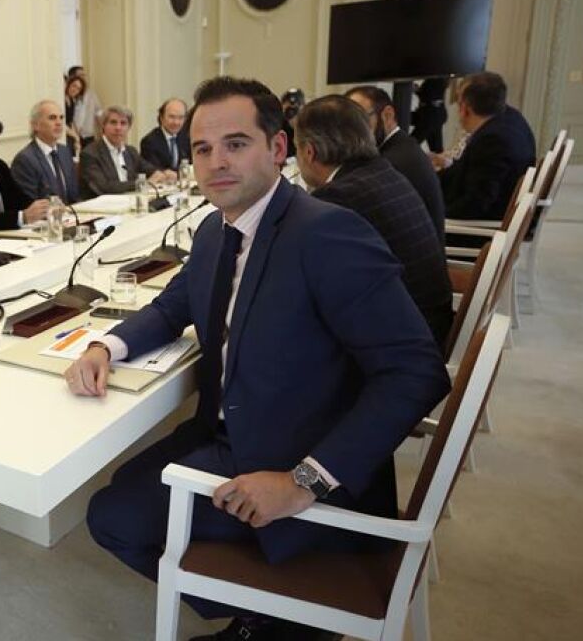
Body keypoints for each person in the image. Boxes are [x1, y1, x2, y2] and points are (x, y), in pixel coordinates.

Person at [72, 77, 450, 641]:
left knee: (114, 517)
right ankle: (267, 614)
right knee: (123, 485)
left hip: (299, 462)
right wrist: (106, 345)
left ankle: (276, 621)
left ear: (277, 148)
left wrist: (304, 481)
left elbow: (416, 371)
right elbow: (173, 304)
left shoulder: (328, 233)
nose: (216, 162)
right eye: (203, 149)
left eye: (236, 143)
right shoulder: (214, 230)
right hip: (232, 428)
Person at [295, 95, 454, 347]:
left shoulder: (338, 197)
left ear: (309, 152)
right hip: (432, 318)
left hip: (408, 342)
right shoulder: (383, 170)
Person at [345, 86, 446, 242]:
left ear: (388, 115)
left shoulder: (393, 163)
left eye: (360, 120)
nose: (351, 131)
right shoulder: (403, 146)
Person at [435, 71, 537, 221]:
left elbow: (475, 204)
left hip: (480, 226)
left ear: (465, 109)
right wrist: (429, 178)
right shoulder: (512, 118)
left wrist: (433, 217)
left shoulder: (492, 141)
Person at [78, 105, 162, 200]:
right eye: (113, 122)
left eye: (123, 123)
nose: (118, 128)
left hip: (130, 201)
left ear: (129, 127)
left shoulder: (131, 151)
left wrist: (159, 174)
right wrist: (142, 184)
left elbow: (150, 169)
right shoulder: (90, 153)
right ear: (103, 126)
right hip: (103, 205)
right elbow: (103, 187)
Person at [12, 99, 81, 204]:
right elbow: (30, 204)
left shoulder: (65, 152)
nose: (59, 123)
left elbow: (74, 195)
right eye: (52, 118)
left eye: (61, 117)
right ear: (35, 125)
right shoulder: (25, 160)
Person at [139, 97, 191, 174]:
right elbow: (154, 170)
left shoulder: (187, 137)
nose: (176, 122)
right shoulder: (149, 142)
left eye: (180, 118)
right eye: (172, 117)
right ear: (161, 117)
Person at [66, 66, 103, 149]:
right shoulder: (69, 97)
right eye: (80, 75)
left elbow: (99, 113)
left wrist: (103, 131)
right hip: (71, 135)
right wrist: (75, 135)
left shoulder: (92, 95)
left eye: (84, 75)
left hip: (88, 136)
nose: (83, 78)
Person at [410, 77, 449, 153]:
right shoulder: (437, 77)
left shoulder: (438, 77)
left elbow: (430, 95)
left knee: (409, 145)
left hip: (431, 116)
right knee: (437, 149)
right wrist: (417, 90)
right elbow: (430, 95)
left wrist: (417, 90)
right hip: (431, 114)